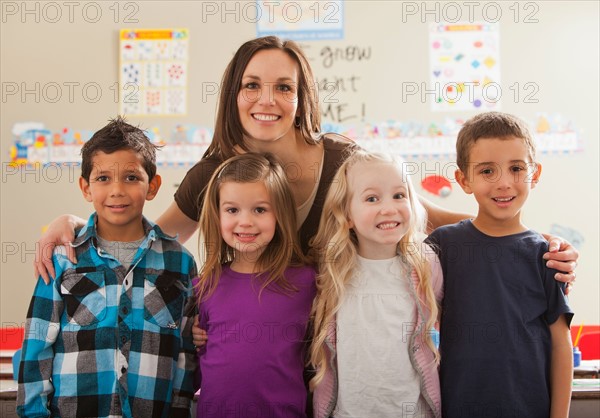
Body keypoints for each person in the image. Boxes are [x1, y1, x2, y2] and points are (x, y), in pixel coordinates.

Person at [33, 36, 578, 286]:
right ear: (233, 94)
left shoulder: (347, 159)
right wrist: (78, 223)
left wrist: (527, 240)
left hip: (340, 343)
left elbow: (429, 215)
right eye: (252, 85)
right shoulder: (215, 172)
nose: (266, 100)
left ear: (302, 97)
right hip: (262, 342)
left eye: (283, 87)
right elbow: (154, 237)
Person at [17, 117, 198, 418]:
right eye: (103, 179)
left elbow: (186, 353)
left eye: (131, 177)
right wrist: (34, 417)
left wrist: (179, 411)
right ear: (85, 188)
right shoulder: (64, 259)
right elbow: (37, 346)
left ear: (151, 186)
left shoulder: (180, 263)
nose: (116, 190)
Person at [425, 112, 574, 418]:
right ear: (464, 180)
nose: (504, 182)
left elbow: (561, 346)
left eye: (516, 168)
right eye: (487, 171)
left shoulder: (546, 255)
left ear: (535, 174)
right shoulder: (442, 246)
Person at [309, 151, 443, 418]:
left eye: (399, 195)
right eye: (372, 198)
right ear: (347, 215)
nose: (389, 208)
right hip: (348, 416)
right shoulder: (332, 268)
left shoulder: (426, 262)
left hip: (415, 416)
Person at [194, 153, 316, 418]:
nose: (245, 221)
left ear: (280, 214)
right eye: (232, 210)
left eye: (259, 209)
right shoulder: (204, 286)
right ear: (217, 214)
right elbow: (195, 358)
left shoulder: (308, 281)